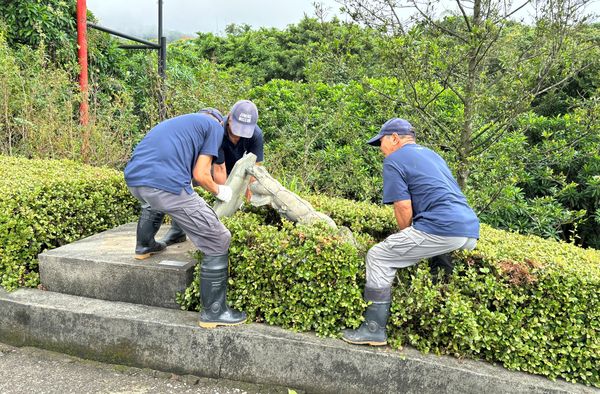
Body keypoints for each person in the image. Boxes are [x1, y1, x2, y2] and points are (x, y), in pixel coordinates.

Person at [341, 118, 479, 346]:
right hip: (469, 228)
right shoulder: (433, 155)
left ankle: (373, 329)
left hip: (441, 227)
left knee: (378, 256)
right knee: (436, 259)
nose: (381, 150)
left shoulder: (395, 160)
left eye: (381, 142)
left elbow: (403, 206)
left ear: (394, 138)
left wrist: (405, 236)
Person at [124, 111, 247, 328]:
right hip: (164, 184)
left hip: (135, 181)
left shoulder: (177, 125)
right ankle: (214, 312)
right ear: (221, 120)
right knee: (218, 237)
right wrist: (220, 191)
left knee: (157, 200)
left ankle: (145, 246)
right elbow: (201, 174)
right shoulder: (214, 127)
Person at [161, 100, 263, 245]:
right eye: (237, 129)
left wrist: (247, 204)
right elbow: (219, 169)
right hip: (213, 164)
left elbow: (254, 171)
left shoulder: (256, 134)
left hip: (238, 168)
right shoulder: (218, 130)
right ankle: (178, 230)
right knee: (190, 188)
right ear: (230, 118)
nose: (239, 136)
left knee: (245, 197)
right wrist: (225, 199)